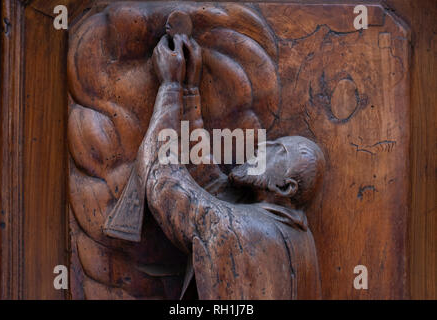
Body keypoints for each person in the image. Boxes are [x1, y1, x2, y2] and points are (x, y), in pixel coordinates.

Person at [106, 32, 324, 299]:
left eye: (275, 151)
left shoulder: (241, 230)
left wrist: (169, 87)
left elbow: (162, 180)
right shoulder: (295, 233)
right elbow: (210, 187)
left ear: (284, 185)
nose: (261, 146)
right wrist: (188, 94)